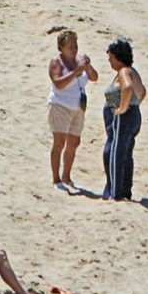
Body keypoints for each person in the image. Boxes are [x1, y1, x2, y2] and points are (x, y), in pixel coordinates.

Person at [45, 30, 97, 192]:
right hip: (60, 105)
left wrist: (88, 67)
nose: (74, 50)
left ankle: (67, 177)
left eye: (75, 46)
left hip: (78, 107)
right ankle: (56, 179)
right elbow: (58, 83)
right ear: (61, 48)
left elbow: (94, 77)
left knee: (74, 143)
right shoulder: (56, 62)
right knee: (59, 143)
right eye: (70, 47)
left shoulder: (80, 60)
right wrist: (76, 73)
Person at [101, 38, 148, 201]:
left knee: (115, 153)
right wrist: (134, 105)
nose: (109, 62)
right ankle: (125, 190)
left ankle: (115, 193)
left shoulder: (124, 72)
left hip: (123, 118)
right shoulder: (132, 71)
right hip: (132, 116)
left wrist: (122, 108)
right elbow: (142, 92)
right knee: (125, 153)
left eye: (111, 58)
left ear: (117, 57)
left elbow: (127, 87)